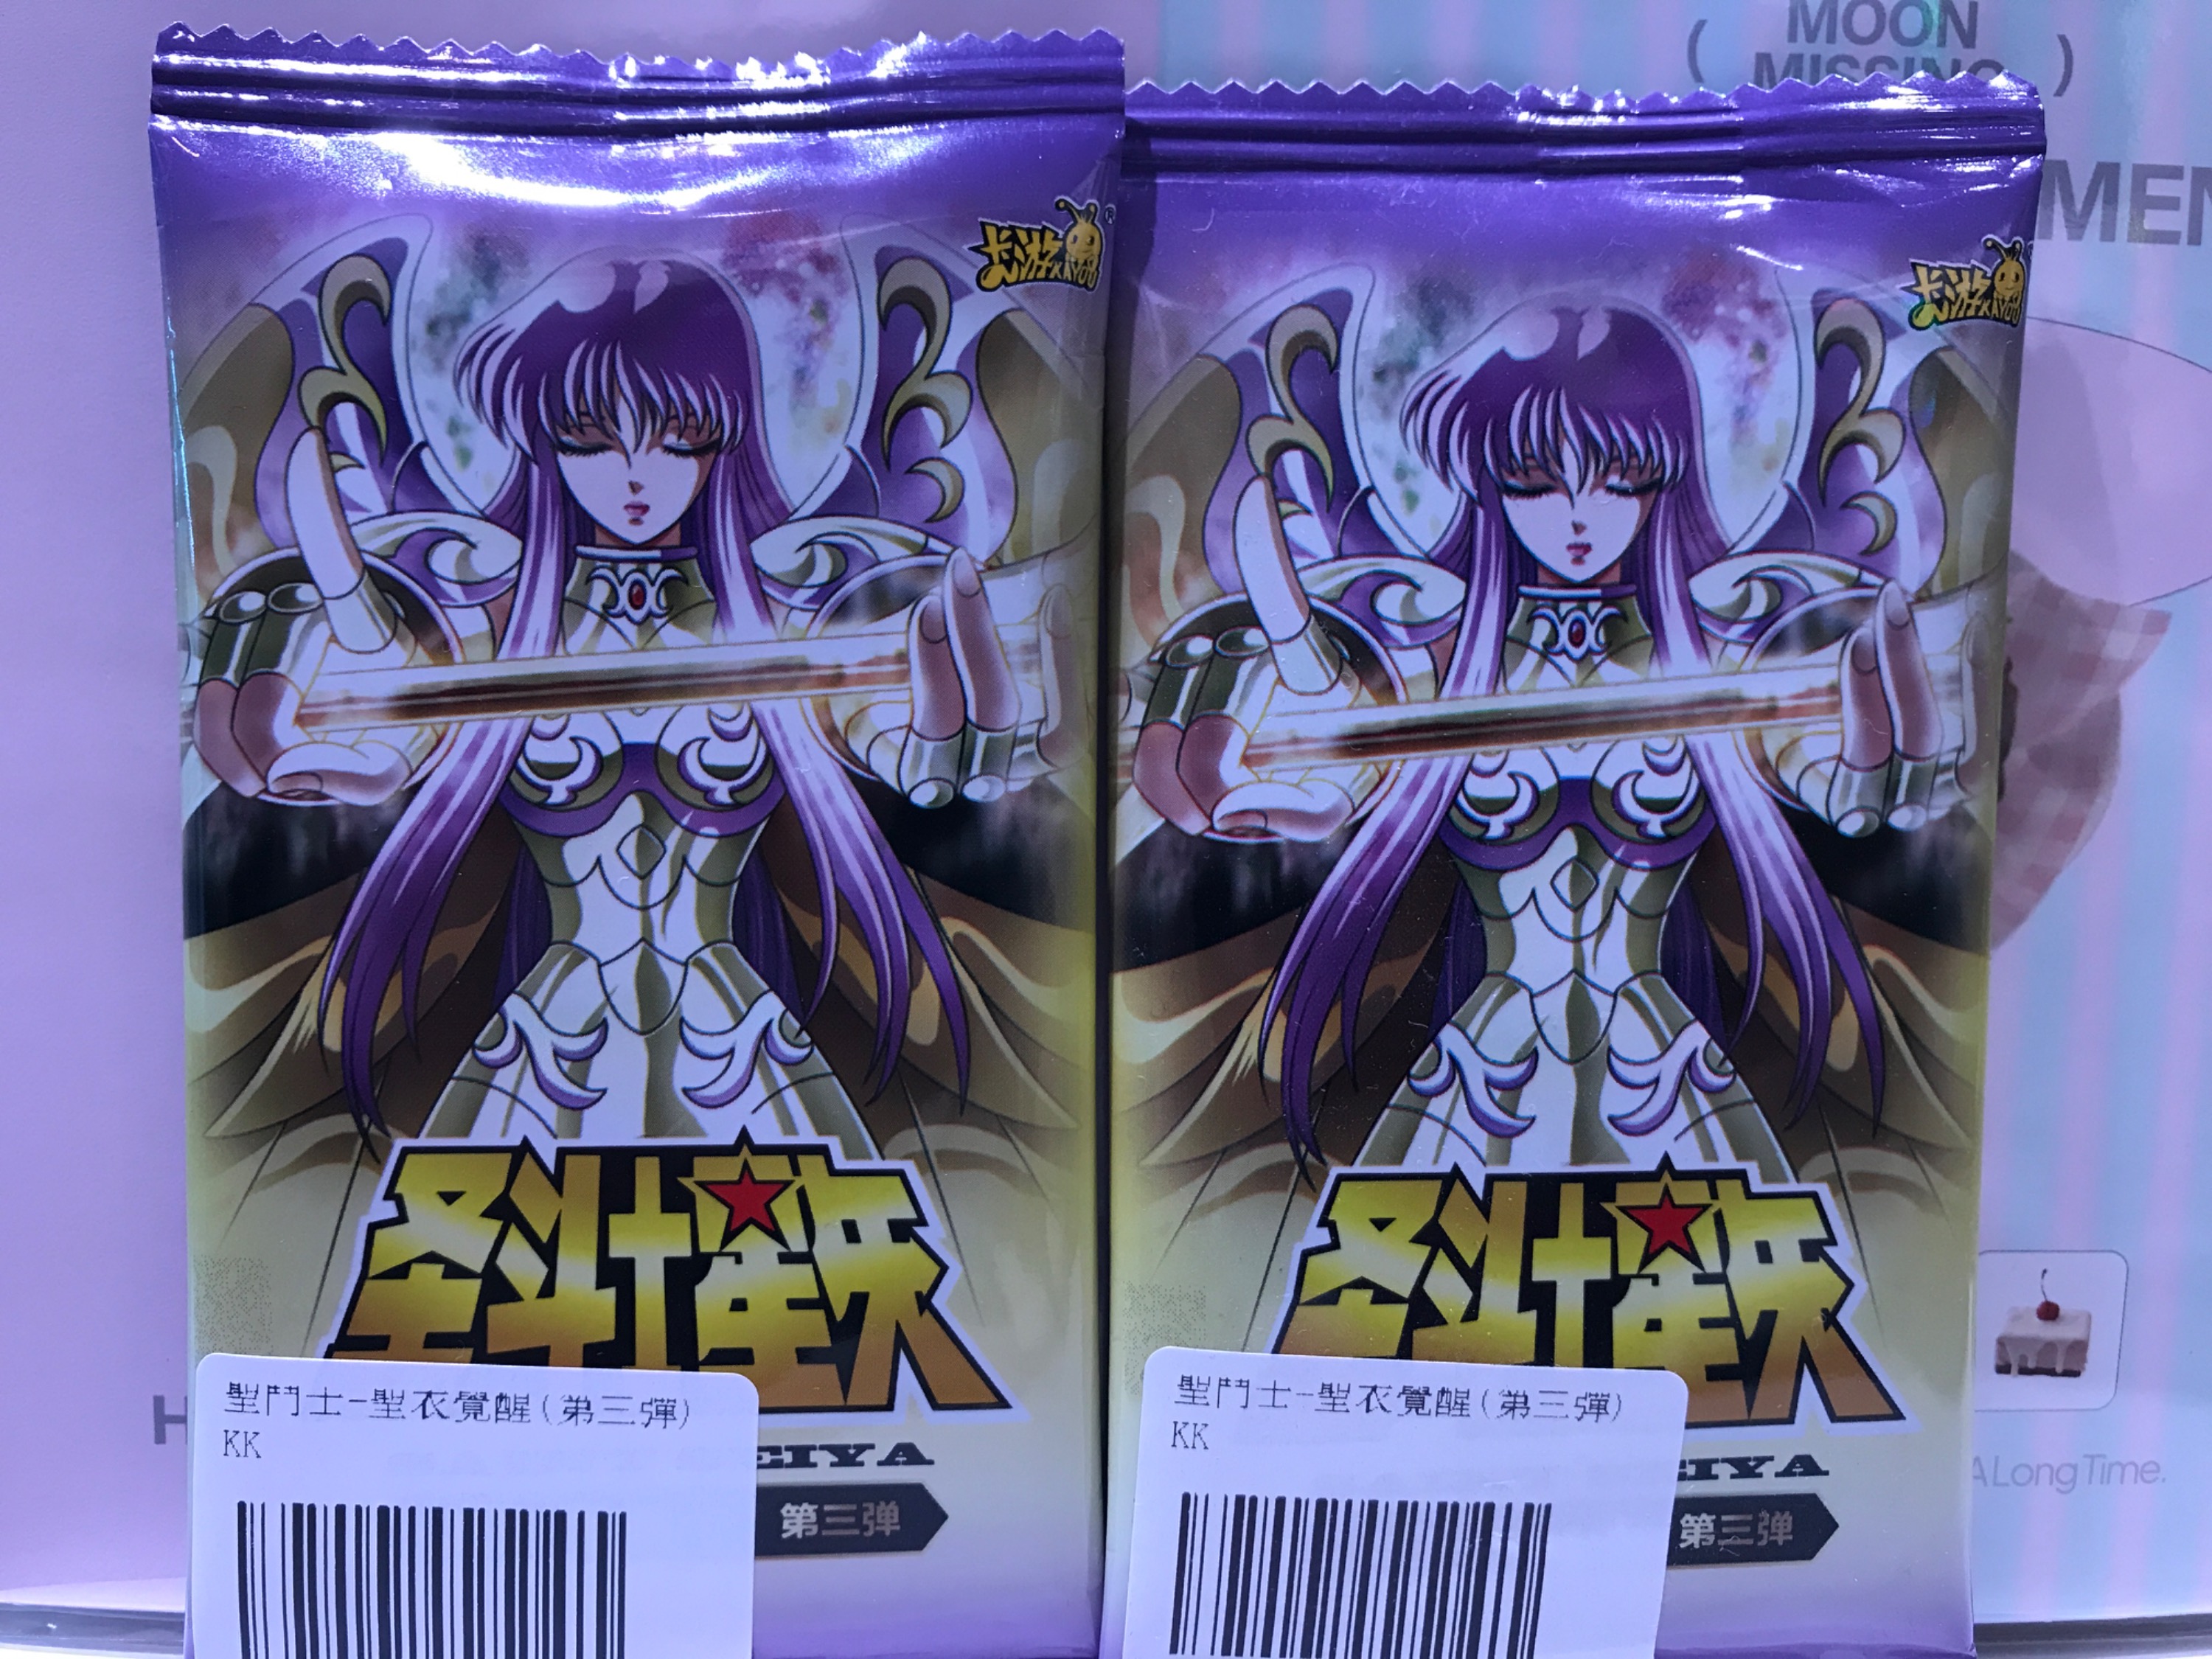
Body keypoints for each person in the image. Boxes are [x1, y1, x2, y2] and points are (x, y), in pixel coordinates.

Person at [192, 251, 1076, 1157]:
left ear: (724, 437)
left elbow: (881, 722)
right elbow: (406, 697)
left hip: (736, 1037)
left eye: (677, 434)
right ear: (546, 444)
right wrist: (359, 707)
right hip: (551, 1040)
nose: (635, 473)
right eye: (590, 437)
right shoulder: (502, 618)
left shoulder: (786, 610)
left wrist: (941, 747)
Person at [1133, 299, 1958, 1181]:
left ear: (1664, 479)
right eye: (1533, 480)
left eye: (1617, 477)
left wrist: (1863, 777)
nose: (1577, 514)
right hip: (1484, 1067)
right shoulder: (1452, 656)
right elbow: (1351, 737)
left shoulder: (1717, 649)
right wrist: (1298, 705)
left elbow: (1811, 759)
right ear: (1492, 488)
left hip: (1662, 1065)